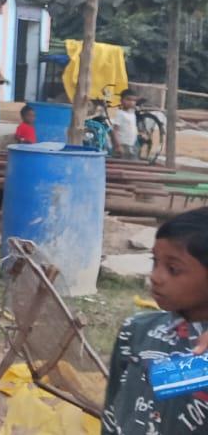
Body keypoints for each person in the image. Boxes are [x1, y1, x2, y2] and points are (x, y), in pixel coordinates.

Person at [102, 207, 208, 434]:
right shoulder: (135, 330)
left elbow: (171, 377)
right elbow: (113, 406)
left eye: (173, 269)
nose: (155, 277)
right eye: (155, 262)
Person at [111, 90, 140, 160]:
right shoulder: (120, 114)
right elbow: (115, 130)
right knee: (121, 163)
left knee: (133, 163)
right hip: (122, 145)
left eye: (134, 100)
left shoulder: (132, 114)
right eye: (128, 99)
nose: (131, 102)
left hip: (132, 145)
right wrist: (118, 146)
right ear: (121, 100)